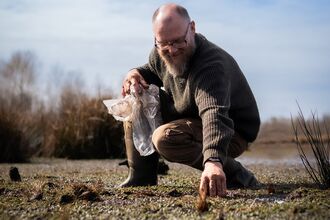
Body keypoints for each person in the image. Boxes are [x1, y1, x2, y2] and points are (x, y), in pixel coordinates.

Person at [119, 3, 260, 197]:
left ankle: (237, 174)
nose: (172, 50)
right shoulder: (161, 53)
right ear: (156, 39)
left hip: (231, 132)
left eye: (178, 41)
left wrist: (213, 162)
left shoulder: (211, 65)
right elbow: (150, 70)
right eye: (163, 44)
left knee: (164, 138)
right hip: (193, 120)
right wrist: (133, 74)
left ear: (192, 28)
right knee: (135, 98)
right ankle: (142, 175)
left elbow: (214, 113)